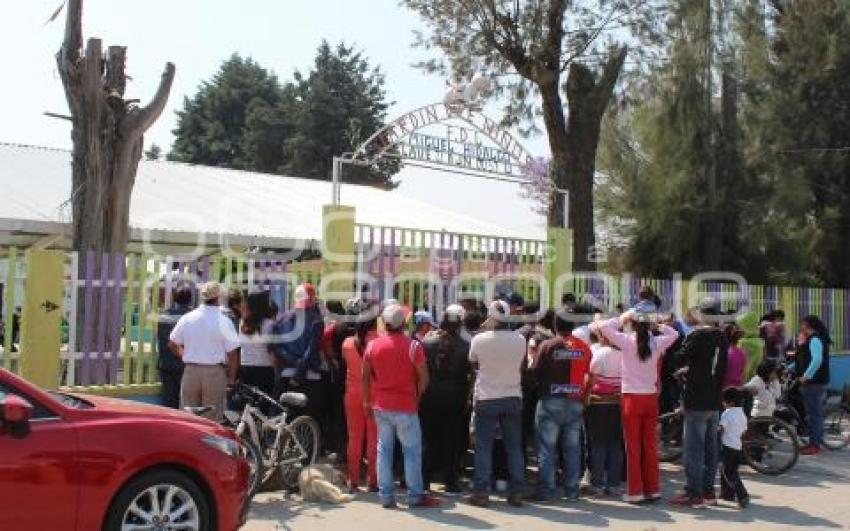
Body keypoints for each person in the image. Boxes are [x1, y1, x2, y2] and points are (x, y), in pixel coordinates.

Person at [590, 308, 678, 504]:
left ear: (633, 324)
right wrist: (658, 326)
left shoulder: (627, 341)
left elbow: (604, 327)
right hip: (650, 398)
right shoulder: (657, 341)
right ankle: (653, 489)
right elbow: (674, 333)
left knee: (633, 448)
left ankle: (636, 491)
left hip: (631, 398)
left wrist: (622, 318)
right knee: (650, 446)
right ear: (648, 325)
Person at [361, 304, 440, 509]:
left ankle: (386, 496)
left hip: (381, 406)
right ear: (403, 323)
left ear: (385, 324)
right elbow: (424, 377)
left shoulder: (372, 346)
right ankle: (415, 495)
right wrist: (417, 397)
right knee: (412, 452)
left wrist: (366, 401)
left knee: (384, 451)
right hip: (406, 406)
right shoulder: (413, 346)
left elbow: (364, 376)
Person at [670, 298, 729, 509]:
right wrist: (691, 369)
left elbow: (680, 358)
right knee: (711, 449)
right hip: (714, 400)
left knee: (693, 449)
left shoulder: (697, 335)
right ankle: (708, 491)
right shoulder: (722, 337)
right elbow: (714, 365)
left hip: (696, 400)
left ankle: (693, 493)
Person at [467, 300, 527, 508]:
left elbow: (473, 363)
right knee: (514, 447)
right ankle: (517, 492)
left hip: (487, 397)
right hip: (512, 396)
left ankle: (481, 492)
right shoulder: (520, 339)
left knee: (484, 447)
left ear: (491, 316)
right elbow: (522, 365)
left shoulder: (479, 340)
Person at [530, 310, 592, 501]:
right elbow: (589, 374)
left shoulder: (548, 345)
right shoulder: (584, 347)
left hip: (551, 400)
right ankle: (572, 492)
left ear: (555, 326)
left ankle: (546, 492)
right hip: (575, 402)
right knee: (572, 449)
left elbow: (535, 371)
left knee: (547, 449)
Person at [168, 281, 240, 421]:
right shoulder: (224, 321)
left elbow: (172, 343)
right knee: (212, 418)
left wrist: (184, 356)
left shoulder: (188, 318)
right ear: (218, 298)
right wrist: (231, 380)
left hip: (191, 371)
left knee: (188, 417)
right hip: (214, 372)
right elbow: (232, 353)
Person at [420, 304, 471, 494]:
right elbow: (471, 375)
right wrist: (467, 398)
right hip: (455, 397)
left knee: (429, 439)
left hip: (430, 396)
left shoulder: (427, 343)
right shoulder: (466, 346)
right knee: (452, 440)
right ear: (458, 326)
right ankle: (451, 481)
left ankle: (424, 480)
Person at [272, 283, 325, 425]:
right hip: (309, 376)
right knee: (309, 420)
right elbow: (311, 349)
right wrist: (299, 372)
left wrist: (292, 361)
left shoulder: (281, 319)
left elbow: (277, 347)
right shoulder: (317, 320)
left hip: (286, 373)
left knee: (285, 419)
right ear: (313, 299)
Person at [342, 302, 379, 492]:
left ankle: (353, 480)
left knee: (354, 438)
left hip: (352, 393)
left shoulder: (347, 343)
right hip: (375, 395)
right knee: (374, 438)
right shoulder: (380, 342)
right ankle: (373, 480)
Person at [586, 329, 624, 496]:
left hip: (599, 403)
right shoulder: (624, 355)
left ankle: (597, 484)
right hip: (618, 403)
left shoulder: (599, 354)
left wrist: (585, 398)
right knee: (615, 444)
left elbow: (591, 378)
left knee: (598, 445)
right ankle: (614, 484)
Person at [796, 315, 832, 455]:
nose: (801, 327)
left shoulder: (815, 339)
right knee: (814, 413)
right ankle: (814, 441)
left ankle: (814, 445)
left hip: (814, 383)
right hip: (815, 382)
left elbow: (817, 360)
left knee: (814, 415)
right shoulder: (812, 339)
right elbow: (805, 359)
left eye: (802, 324)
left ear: (808, 325)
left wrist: (806, 376)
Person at [156, 286, 193, 408]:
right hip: (187, 364)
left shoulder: (164, 316)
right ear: (190, 299)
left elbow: (162, 340)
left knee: (169, 401)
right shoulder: (193, 317)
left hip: (166, 364)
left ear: (174, 298)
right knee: (187, 403)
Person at [239, 290, 276, 397]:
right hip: (264, 368)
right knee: (263, 407)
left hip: (246, 367)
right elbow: (271, 349)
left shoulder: (242, 323)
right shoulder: (269, 324)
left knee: (248, 403)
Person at [719, 387, 750, 508]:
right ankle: (727, 494)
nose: (723, 404)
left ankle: (742, 495)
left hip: (727, 446)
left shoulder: (727, 413)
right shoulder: (742, 414)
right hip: (737, 446)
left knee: (728, 473)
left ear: (730, 402)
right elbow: (744, 430)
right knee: (730, 471)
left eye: (724, 401)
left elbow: (721, 428)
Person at [724, 324, 747, 389]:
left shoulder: (724, 352)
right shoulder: (742, 352)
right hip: (738, 386)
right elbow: (743, 372)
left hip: (725, 388)